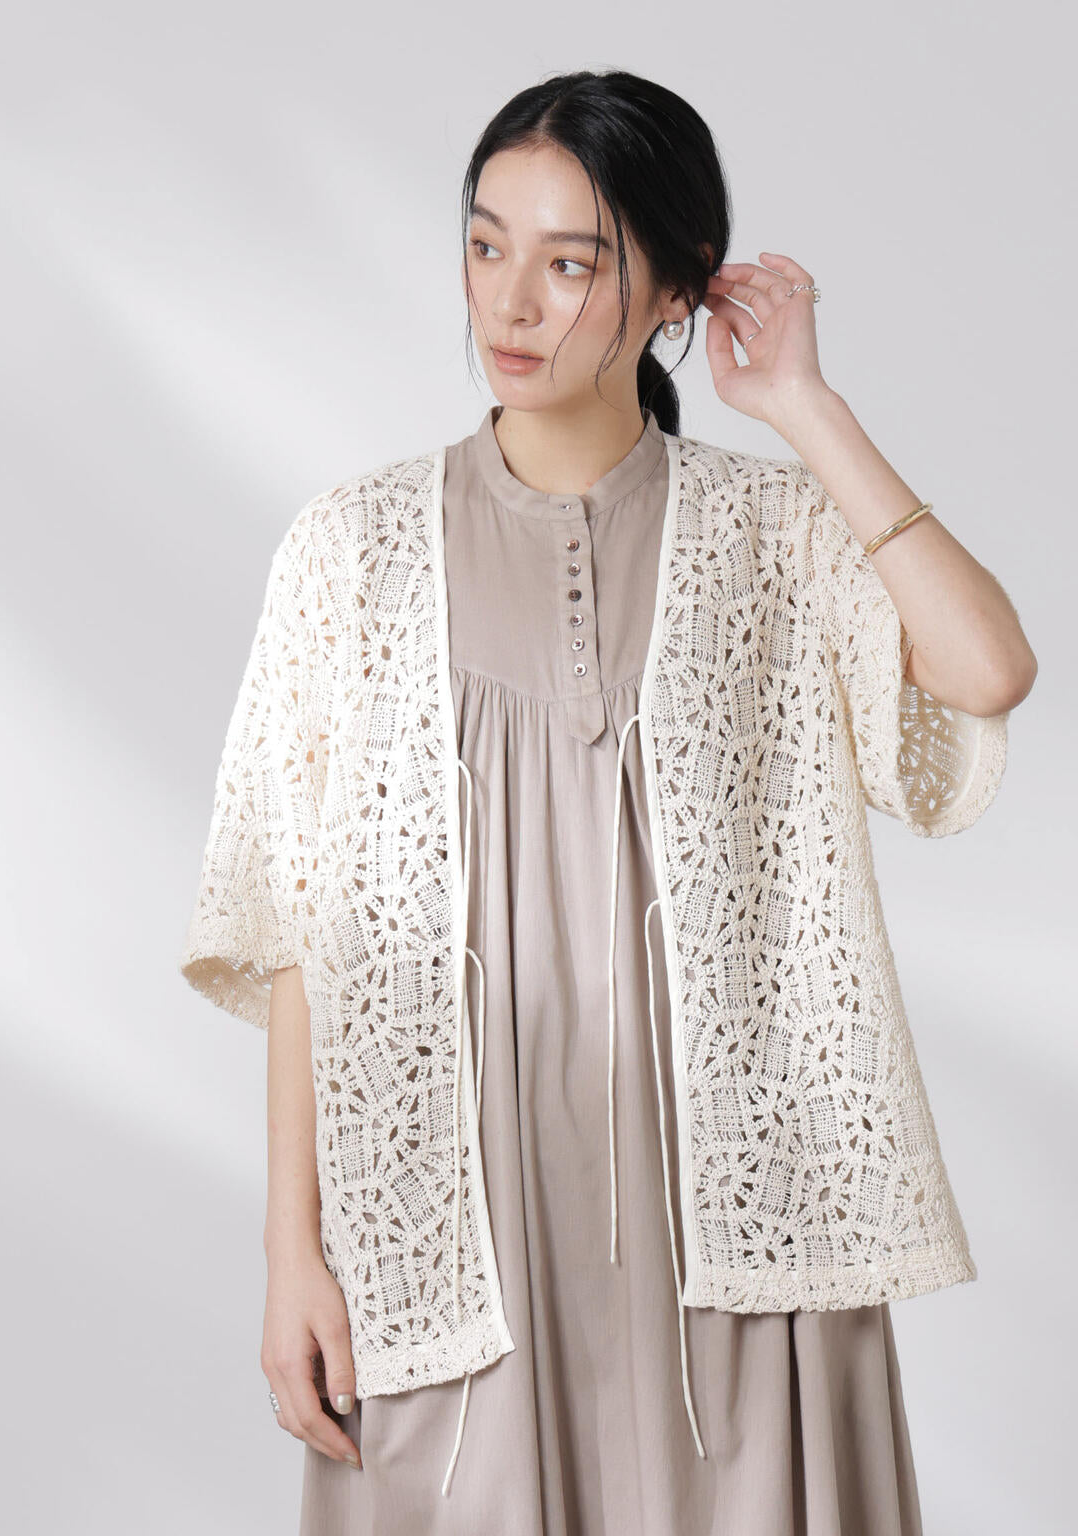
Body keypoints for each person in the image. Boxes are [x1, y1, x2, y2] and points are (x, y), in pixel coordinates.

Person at [181, 70, 1036, 1535]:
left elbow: (987, 668)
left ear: (675, 291)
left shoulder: (772, 536)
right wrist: (292, 1256)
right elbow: (301, 928)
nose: (509, 302)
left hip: (739, 1232)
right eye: (484, 245)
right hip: (454, 1232)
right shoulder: (352, 551)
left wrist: (804, 407)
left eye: (571, 263)